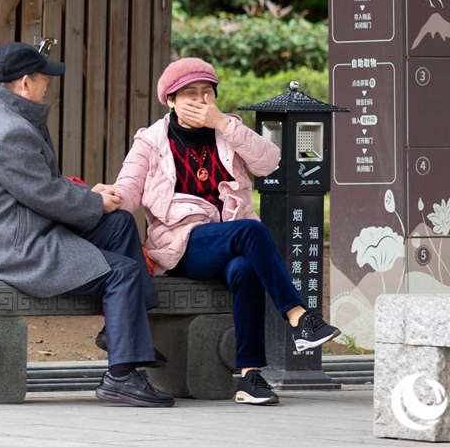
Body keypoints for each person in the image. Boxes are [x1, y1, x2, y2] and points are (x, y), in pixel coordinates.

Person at [0, 41, 173, 408]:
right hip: (17, 247)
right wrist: (93, 201)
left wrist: (91, 196)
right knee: (122, 273)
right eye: (44, 79)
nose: (48, 86)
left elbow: (39, 187)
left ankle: (120, 332)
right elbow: (45, 194)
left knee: (119, 222)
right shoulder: (9, 130)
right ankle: (120, 377)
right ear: (25, 83)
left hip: (25, 227)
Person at [111, 57, 340, 406]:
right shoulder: (151, 142)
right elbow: (128, 189)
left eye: (207, 92)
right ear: (170, 100)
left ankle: (249, 376)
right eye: (189, 93)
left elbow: (269, 162)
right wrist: (107, 198)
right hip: (181, 245)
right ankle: (299, 317)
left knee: (245, 268)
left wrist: (223, 123)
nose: (200, 100)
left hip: (230, 242)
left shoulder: (228, 131)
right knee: (250, 230)